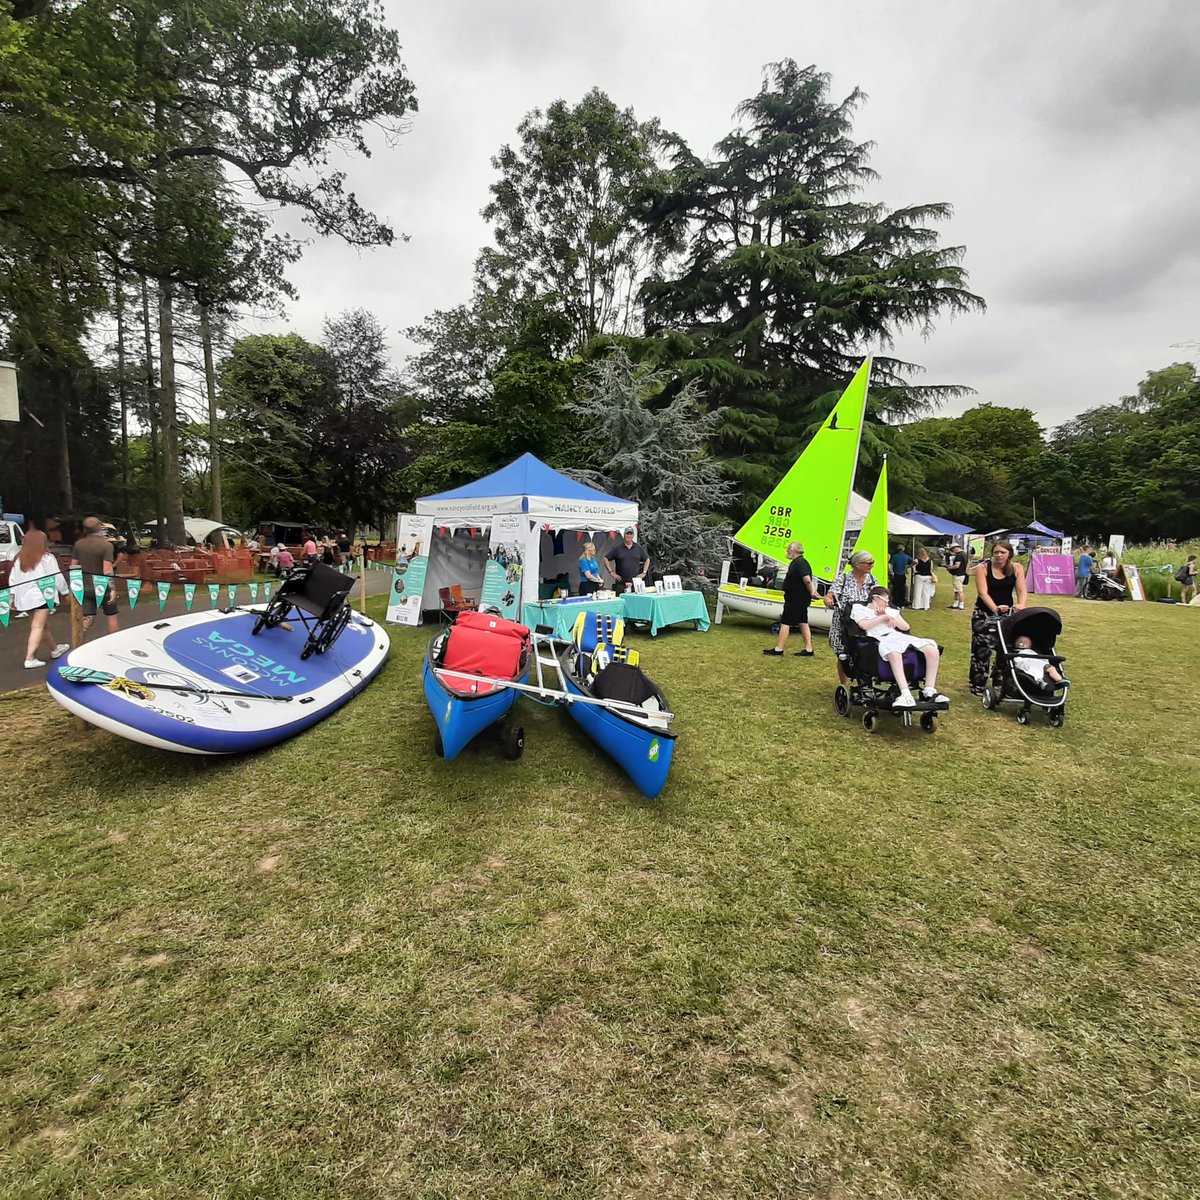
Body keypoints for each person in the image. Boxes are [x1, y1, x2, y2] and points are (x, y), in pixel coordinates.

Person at [851, 586, 949, 707]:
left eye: (888, 601)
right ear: (875, 598)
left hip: (896, 636)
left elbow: (905, 627)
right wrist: (882, 618)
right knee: (893, 651)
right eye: (885, 600)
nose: (887, 603)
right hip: (878, 639)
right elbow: (864, 625)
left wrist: (889, 615)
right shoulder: (860, 609)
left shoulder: (890, 610)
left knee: (931, 649)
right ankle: (905, 693)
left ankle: (929, 689)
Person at [969, 540, 1028, 694]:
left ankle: (1000, 682)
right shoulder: (983, 568)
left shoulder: (1017, 568)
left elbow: (1021, 590)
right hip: (984, 613)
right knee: (982, 650)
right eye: (996, 552)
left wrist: (1021, 604)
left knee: (1005, 648)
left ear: (1009, 554)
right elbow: (982, 592)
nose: (999, 555)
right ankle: (978, 685)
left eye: (1003, 552)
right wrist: (995, 608)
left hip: (1007, 614)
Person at [9, 529, 70, 668]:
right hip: (42, 596)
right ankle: (29, 658)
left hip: (24, 598)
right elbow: (57, 577)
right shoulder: (47, 558)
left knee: (42, 626)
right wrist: (65, 593)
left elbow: (13, 579)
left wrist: (12, 596)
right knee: (38, 626)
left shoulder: (20, 558)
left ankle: (55, 649)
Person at [825, 550, 880, 685]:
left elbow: (879, 597)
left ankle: (864, 682)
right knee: (843, 653)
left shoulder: (872, 580)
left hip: (864, 623)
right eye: (869, 563)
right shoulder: (843, 579)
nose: (872, 565)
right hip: (844, 623)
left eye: (873, 562)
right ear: (858, 564)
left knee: (865, 652)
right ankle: (844, 684)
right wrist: (828, 600)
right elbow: (830, 595)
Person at [763, 541, 819, 656]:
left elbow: (807, 579)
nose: (787, 551)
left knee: (785, 622)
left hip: (796, 598)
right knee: (803, 621)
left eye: (788, 549)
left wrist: (812, 591)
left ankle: (779, 649)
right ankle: (809, 649)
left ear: (793, 550)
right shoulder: (798, 562)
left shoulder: (800, 563)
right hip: (799, 598)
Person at [72, 514, 120, 639]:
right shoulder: (106, 545)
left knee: (87, 618)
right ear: (99, 527)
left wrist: (74, 586)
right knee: (111, 616)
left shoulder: (78, 545)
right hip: (104, 588)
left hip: (86, 587)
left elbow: (73, 567)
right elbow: (107, 569)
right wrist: (113, 589)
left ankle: (78, 641)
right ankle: (115, 644)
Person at [604, 527, 649, 594]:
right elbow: (606, 558)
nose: (629, 536)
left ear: (633, 535)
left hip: (635, 583)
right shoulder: (618, 548)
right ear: (624, 535)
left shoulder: (638, 548)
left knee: (635, 602)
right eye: (627, 534)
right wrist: (611, 572)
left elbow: (647, 559)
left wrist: (644, 573)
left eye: (630, 534)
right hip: (621, 583)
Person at [946, 543, 969, 610]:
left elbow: (957, 565)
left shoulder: (959, 555)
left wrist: (949, 568)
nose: (952, 551)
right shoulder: (964, 554)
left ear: (955, 548)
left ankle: (961, 604)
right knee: (956, 590)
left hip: (958, 574)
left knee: (959, 590)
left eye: (952, 549)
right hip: (962, 574)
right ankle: (955, 603)